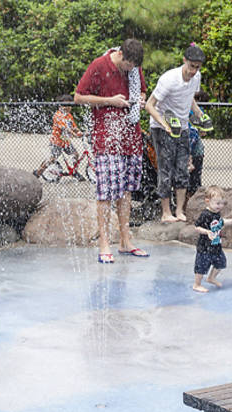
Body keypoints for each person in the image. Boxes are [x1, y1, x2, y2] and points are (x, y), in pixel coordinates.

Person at [74, 38, 149, 263]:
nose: (131, 71)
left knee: (126, 190)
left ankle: (126, 241)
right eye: (128, 66)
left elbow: (143, 92)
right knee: (106, 192)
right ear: (121, 56)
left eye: (134, 68)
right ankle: (104, 243)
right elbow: (78, 97)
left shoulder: (134, 69)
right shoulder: (100, 65)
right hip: (106, 139)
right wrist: (110, 101)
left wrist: (140, 101)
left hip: (130, 137)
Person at [145, 43, 206, 223]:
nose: (194, 71)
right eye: (191, 66)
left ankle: (179, 211)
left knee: (182, 169)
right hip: (162, 127)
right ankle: (166, 212)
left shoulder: (196, 78)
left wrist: (199, 115)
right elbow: (149, 105)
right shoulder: (169, 79)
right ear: (184, 61)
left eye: (197, 67)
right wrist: (164, 124)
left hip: (183, 127)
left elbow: (190, 100)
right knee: (165, 169)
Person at [193, 186, 232, 293]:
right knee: (201, 266)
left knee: (221, 262)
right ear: (207, 201)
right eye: (217, 203)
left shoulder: (216, 212)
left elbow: (220, 221)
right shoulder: (205, 214)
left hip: (215, 245)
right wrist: (207, 232)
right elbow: (196, 227)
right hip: (204, 247)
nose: (220, 206)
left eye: (222, 203)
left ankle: (211, 278)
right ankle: (197, 284)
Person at [33, 94, 84, 179]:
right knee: (52, 159)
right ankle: (38, 172)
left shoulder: (69, 116)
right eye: (65, 105)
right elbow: (65, 128)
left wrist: (80, 132)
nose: (67, 107)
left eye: (69, 105)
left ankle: (74, 171)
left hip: (65, 142)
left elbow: (73, 127)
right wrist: (74, 134)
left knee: (75, 154)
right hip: (56, 142)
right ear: (60, 106)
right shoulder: (58, 115)